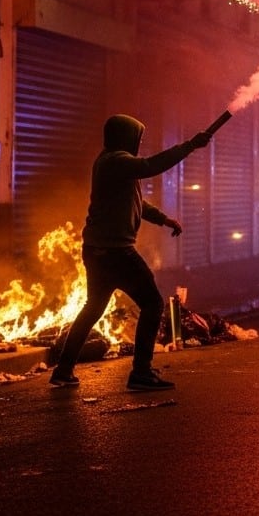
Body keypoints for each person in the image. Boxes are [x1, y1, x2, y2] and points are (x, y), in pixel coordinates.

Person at [50, 114, 212, 391]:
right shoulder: (116, 160)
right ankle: (141, 372)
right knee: (152, 304)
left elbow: (137, 202)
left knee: (93, 309)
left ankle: (63, 370)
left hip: (98, 251)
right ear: (126, 137)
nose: (140, 143)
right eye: (138, 137)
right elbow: (151, 165)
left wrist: (163, 219)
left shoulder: (113, 164)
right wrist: (190, 145)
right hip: (116, 253)